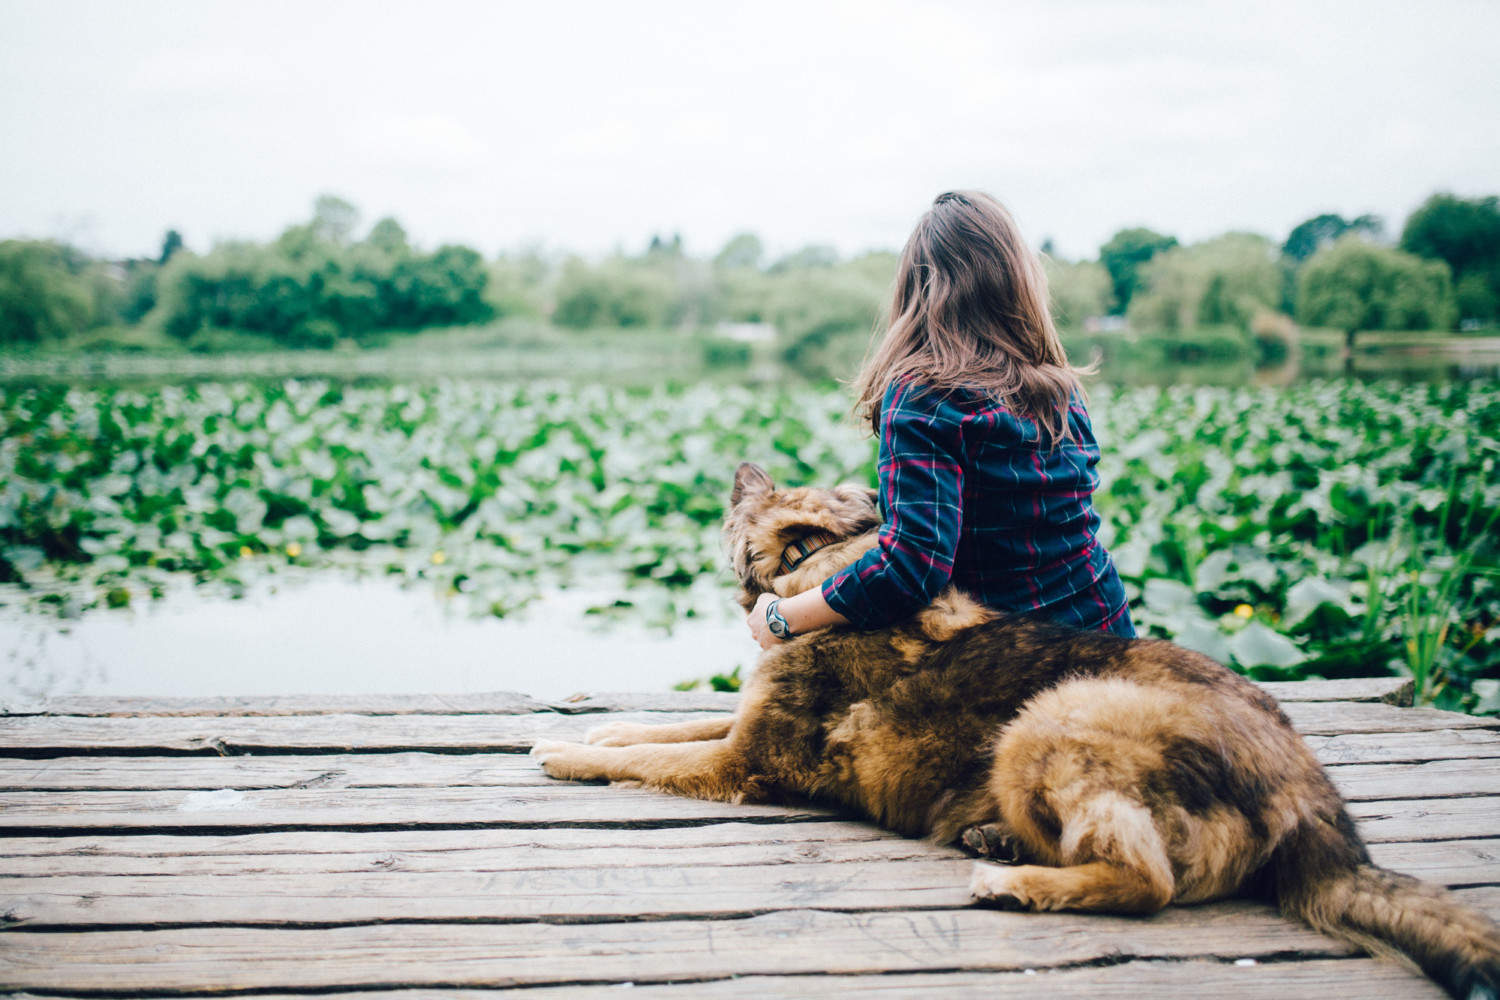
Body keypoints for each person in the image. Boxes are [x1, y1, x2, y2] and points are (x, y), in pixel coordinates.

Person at [747, 190, 1134, 649]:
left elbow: (911, 569)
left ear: (916, 290)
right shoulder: (1061, 387)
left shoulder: (923, 394)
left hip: (1017, 665)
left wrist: (782, 617)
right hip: (1110, 636)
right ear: (1018, 282)